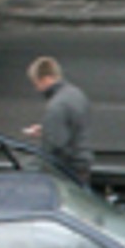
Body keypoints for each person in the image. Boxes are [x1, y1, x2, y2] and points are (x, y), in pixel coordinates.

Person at [24, 56, 95, 185]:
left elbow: (55, 145)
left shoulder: (56, 105)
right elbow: (73, 126)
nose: (37, 89)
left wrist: (37, 167)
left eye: (37, 84)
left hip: (67, 170)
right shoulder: (77, 94)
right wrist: (46, 128)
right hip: (82, 164)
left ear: (46, 79)